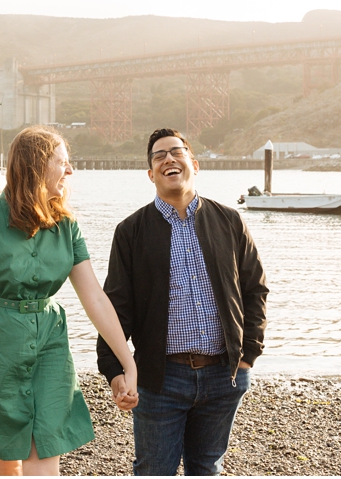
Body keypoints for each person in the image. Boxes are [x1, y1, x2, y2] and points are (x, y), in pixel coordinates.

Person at [0, 126, 139, 476]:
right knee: (7, 462)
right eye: (62, 162)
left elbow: (95, 299)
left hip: (51, 345)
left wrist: (128, 363)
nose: (70, 171)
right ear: (37, 165)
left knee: (46, 459)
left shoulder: (66, 224)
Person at [97, 128, 269, 476]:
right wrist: (113, 369)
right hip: (160, 378)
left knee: (207, 467)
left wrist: (248, 354)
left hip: (224, 375)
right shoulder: (131, 231)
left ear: (194, 163)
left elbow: (255, 290)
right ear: (150, 174)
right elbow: (115, 307)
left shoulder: (230, 221)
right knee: (153, 470)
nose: (168, 159)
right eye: (159, 156)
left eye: (176, 152)